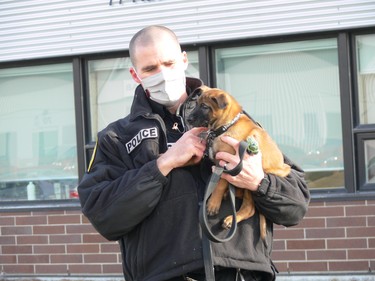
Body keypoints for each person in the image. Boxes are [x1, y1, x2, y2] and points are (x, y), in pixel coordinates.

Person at [78, 25, 310, 281]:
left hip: (242, 273)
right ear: (135, 74)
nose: (163, 74)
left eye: (168, 63)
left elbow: (296, 205)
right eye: (150, 69)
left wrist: (259, 182)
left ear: (184, 60)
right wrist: (163, 164)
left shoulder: (235, 121)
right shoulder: (117, 137)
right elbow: (104, 216)